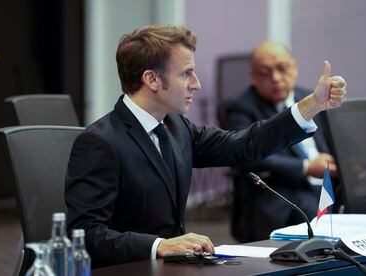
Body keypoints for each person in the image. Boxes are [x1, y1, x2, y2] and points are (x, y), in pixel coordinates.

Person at [65, 25, 346, 268]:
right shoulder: (100, 142)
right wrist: (159, 245)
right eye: (186, 74)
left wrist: (311, 106)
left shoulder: (177, 127)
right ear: (152, 79)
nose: (197, 84)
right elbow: (85, 234)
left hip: (176, 266)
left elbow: (243, 145)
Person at [218, 41, 341, 242]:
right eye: (265, 72)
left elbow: (332, 142)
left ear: (295, 67)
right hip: (279, 193)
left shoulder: (310, 98)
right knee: (311, 212)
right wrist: (307, 166)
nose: (275, 78)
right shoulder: (239, 107)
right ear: (253, 77)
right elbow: (244, 154)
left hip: (324, 188)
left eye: (282, 69)